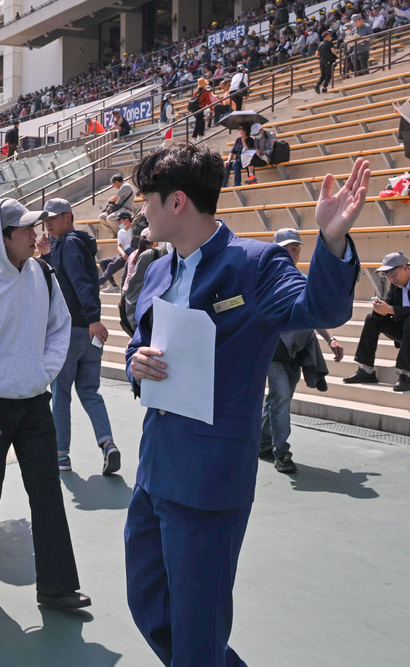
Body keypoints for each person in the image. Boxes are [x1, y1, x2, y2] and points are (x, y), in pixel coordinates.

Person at [126, 144, 369, 666]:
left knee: (197, 632)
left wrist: (332, 240)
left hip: (210, 481)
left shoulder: (255, 264)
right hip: (155, 470)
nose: (139, 209)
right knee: (148, 605)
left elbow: (319, 307)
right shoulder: (157, 270)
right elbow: (139, 343)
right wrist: (135, 363)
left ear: (177, 204)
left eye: (147, 198)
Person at [0, 198, 91, 612]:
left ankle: (57, 587)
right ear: (0, 235)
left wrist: (42, 372)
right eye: (26, 228)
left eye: (35, 227)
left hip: (33, 402)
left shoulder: (43, 273)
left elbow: (59, 327)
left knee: (47, 492)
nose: (35, 233)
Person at [35, 198, 121, 475]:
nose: (47, 222)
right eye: (46, 218)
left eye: (54, 217)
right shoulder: (72, 243)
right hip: (87, 331)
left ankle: (61, 455)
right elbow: (68, 280)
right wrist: (48, 255)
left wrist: (93, 318)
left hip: (72, 330)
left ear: (68, 218)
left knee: (61, 392)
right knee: (89, 391)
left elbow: (77, 284)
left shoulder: (69, 244)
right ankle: (107, 443)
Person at [260, 228, 345, 474]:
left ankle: (262, 442)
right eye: (288, 247)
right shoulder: (263, 280)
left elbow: (314, 314)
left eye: (296, 247)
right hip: (273, 351)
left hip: (297, 351)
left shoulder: (303, 280)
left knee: (278, 400)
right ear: (275, 250)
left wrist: (331, 339)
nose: (293, 252)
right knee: (282, 399)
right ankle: (282, 453)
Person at [343, 251, 410, 391]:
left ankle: (406, 374)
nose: (391, 278)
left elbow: (394, 309)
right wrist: (380, 310)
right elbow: (390, 305)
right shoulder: (396, 286)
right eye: (387, 274)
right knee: (372, 319)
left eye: (393, 273)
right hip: (405, 331)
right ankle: (367, 370)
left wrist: (390, 310)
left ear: (405, 268)